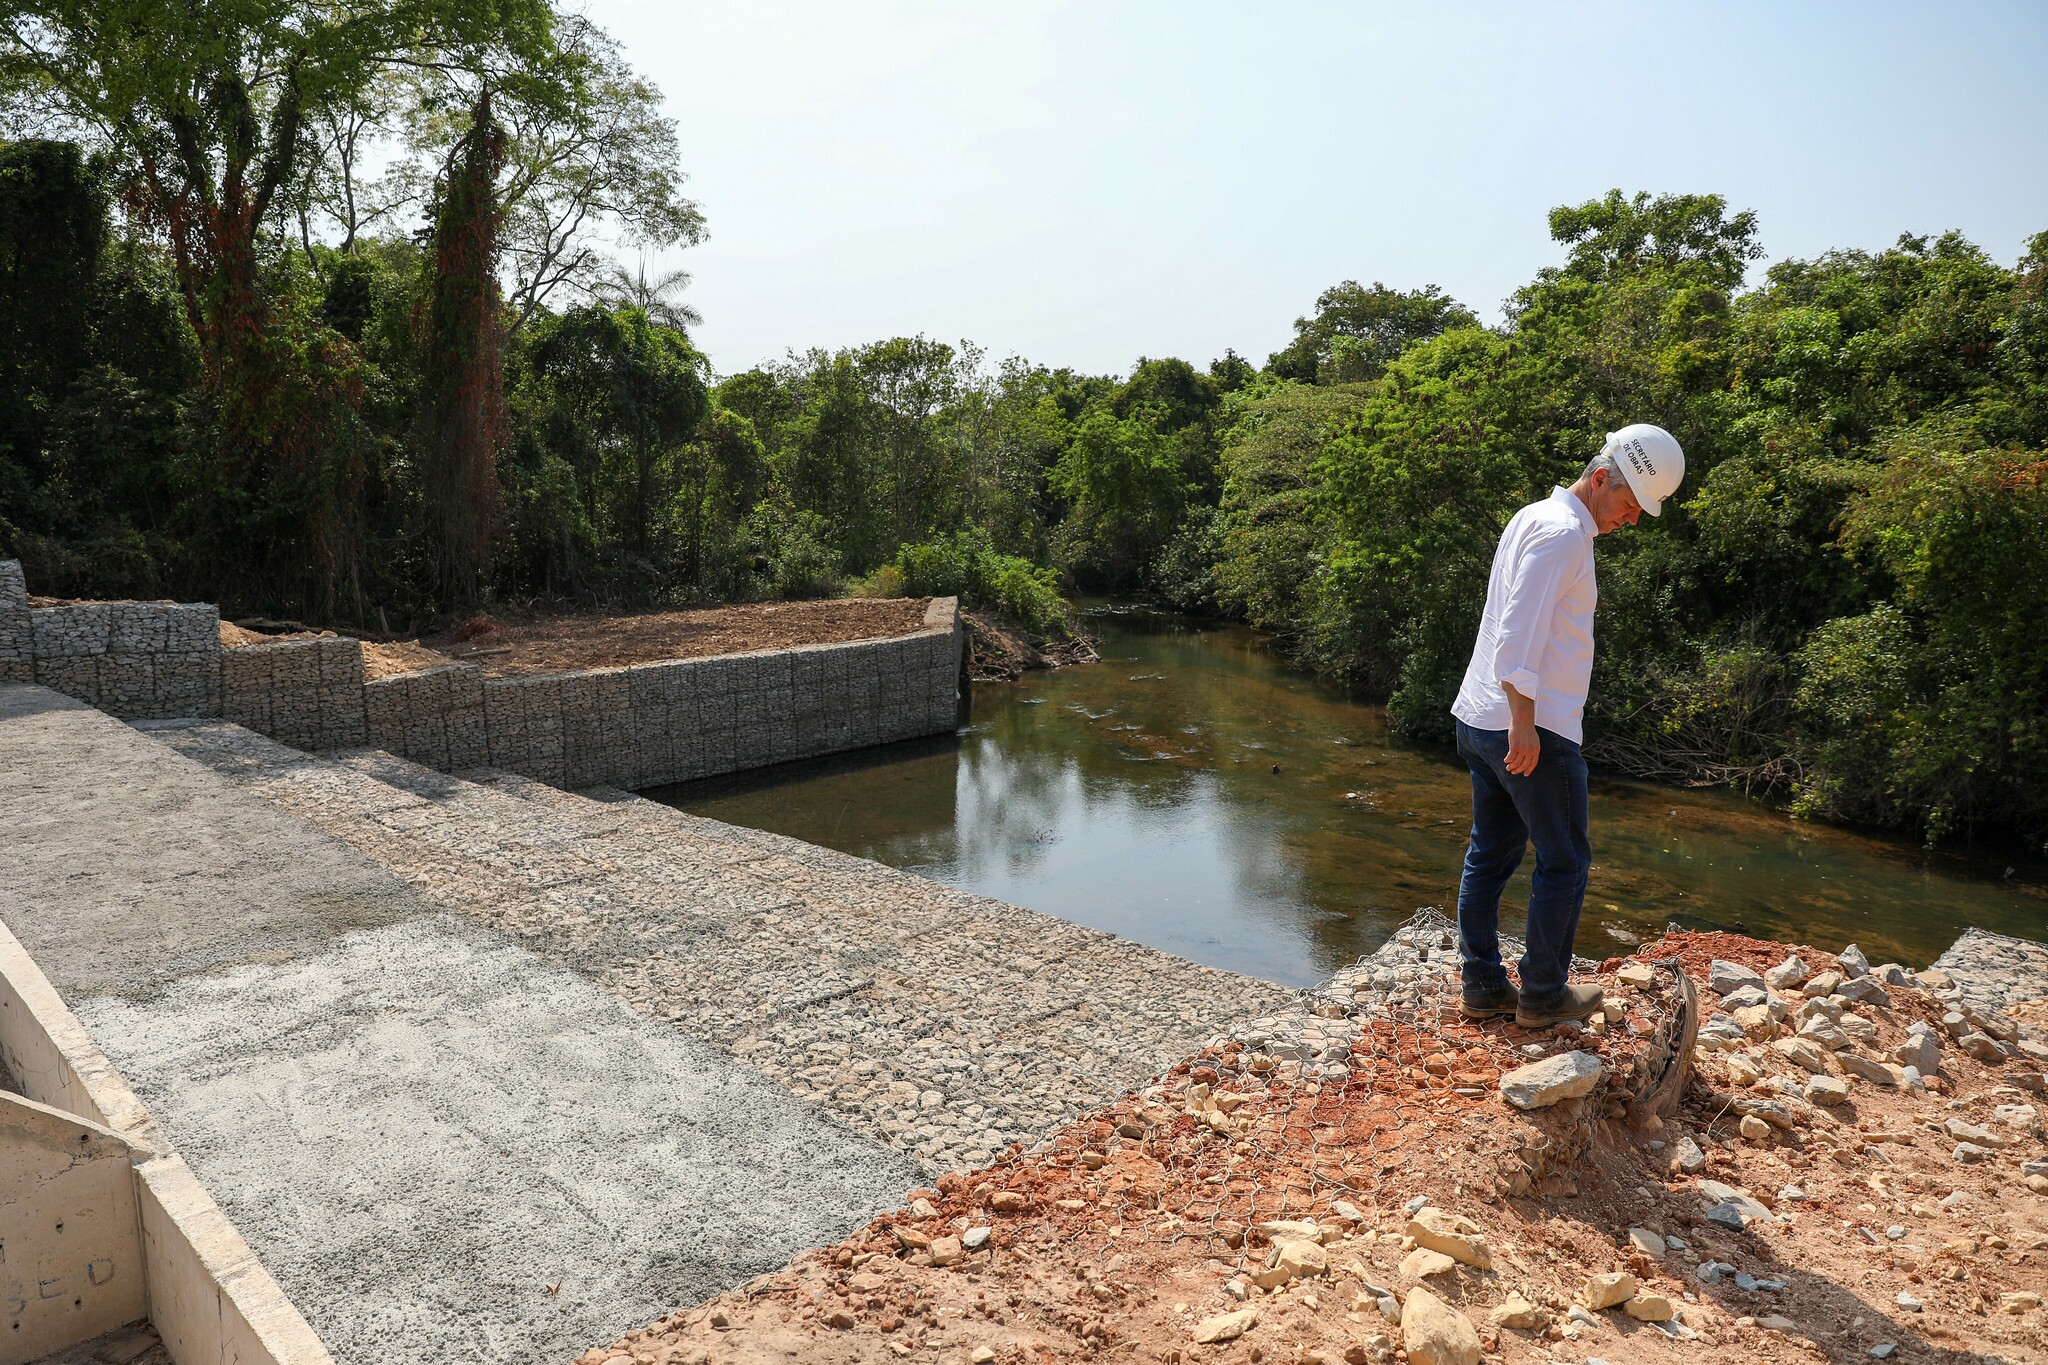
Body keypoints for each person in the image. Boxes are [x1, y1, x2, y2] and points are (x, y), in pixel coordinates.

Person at [1448, 424, 1685, 1028]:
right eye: (1630, 506)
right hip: (1531, 727)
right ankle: (1544, 994)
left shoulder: (1533, 516)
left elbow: (1512, 624)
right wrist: (1524, 723)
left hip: (1480, 717)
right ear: (1602, 478)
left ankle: (1483, 985)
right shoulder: (1563, 539)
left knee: (1491, 853)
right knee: (1565, 860)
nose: (1631, 521)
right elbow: (1517, 634)